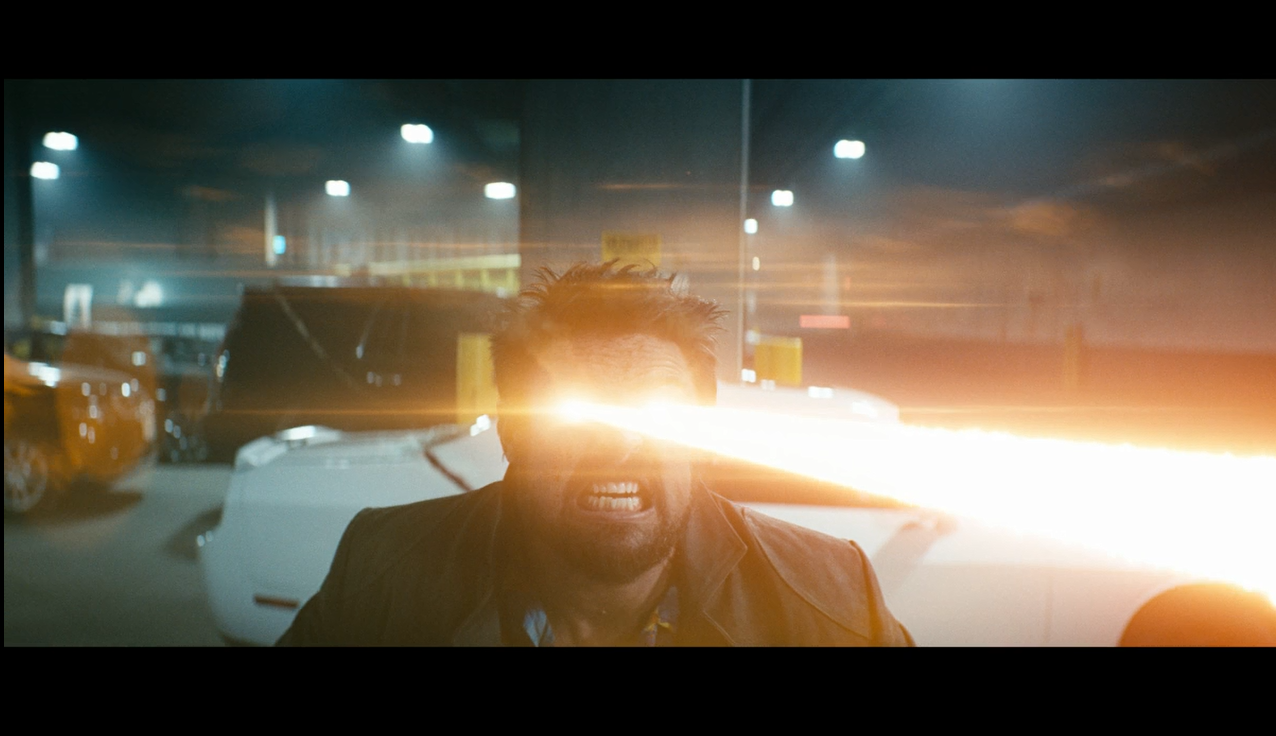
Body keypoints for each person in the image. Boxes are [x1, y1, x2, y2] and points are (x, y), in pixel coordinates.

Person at [277, 261, 913, 646]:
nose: (620, 446)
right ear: (512, 431)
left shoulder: (832, 600)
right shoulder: (380, 575)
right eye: (575, 414)